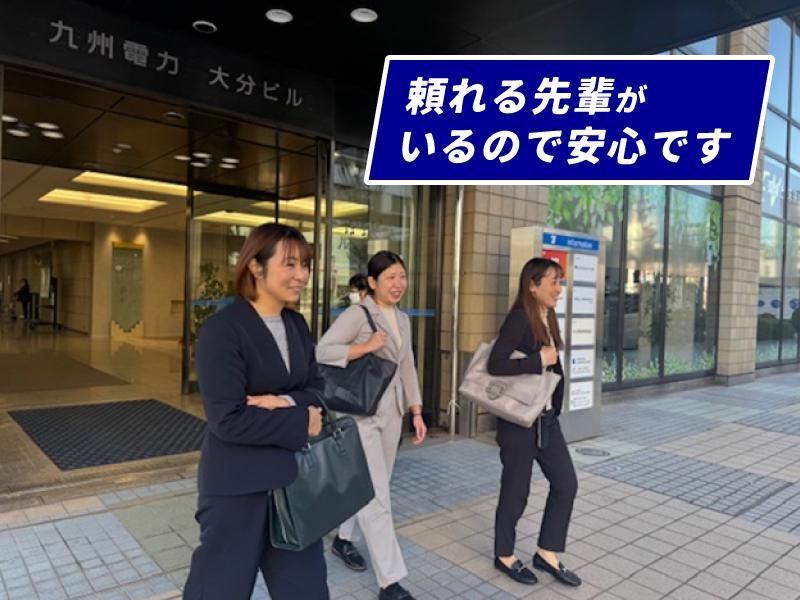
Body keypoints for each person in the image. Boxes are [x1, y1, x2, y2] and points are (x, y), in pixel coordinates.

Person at [184, 223, 328, 600]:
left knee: (308, 591)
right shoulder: (222, 330)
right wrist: (301, 418)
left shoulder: (296, 325)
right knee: (220, 591)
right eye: (290, 264)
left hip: (294, 488)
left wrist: (284, 402)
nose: (302, 275)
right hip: (237, 489)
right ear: (255, 266)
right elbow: (228, 419)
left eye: (305, 265)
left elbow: (318, 388)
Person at [317, 251, 427, 600]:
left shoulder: (403, 319)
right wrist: (365, 347)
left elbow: (407, 365)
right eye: (390, 277)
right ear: (373, 282)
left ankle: (343, 539)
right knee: (378, 495)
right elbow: (322, 350)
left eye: (402, 276)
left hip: (392, 413)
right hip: (361, 415)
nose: (398, 284)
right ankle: (390, 582)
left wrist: (416, 409)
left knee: (372, 485)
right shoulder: (358, 314)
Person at [487, 257, 581, 588]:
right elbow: (496, 364)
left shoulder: (547, 317)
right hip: (519, 422)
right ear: (532, 285)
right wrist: (537, 359)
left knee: (566, 484)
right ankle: (504, 554)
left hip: (546, 421)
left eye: (560, 282)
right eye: (553, 282)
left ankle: (546, 551)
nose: (558, 289)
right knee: (516, 490)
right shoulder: (519, 319)